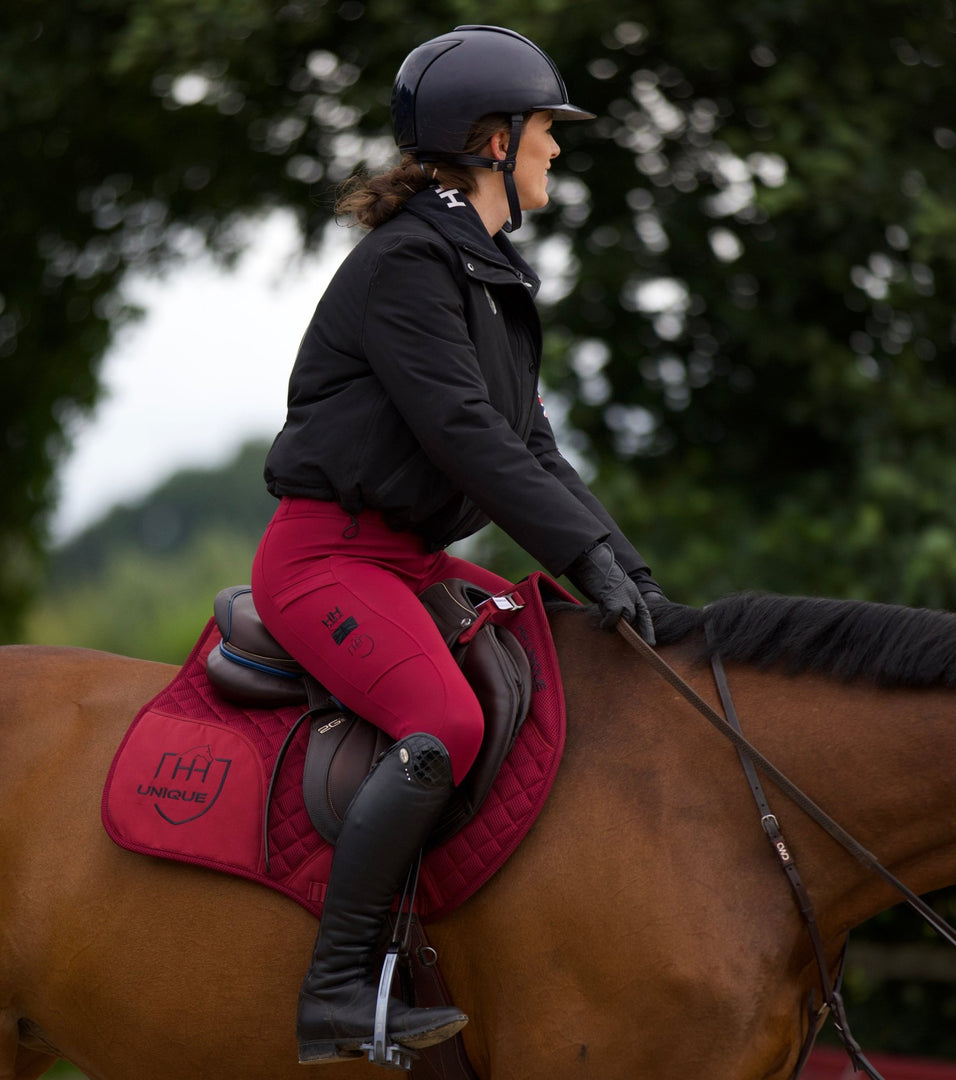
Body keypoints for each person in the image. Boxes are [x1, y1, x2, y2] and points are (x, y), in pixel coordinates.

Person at [251, 24, 666, 1064]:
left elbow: (533, 444)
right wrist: (581, 552)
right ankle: (338, 987)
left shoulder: (487, 272)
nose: (555, 151)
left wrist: (621, 568)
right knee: (443, 718)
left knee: (564, 650)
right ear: (492, 141)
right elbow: (469, 438)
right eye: (543, 132)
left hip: (412, 561)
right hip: (327, 559)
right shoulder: (407, 268)